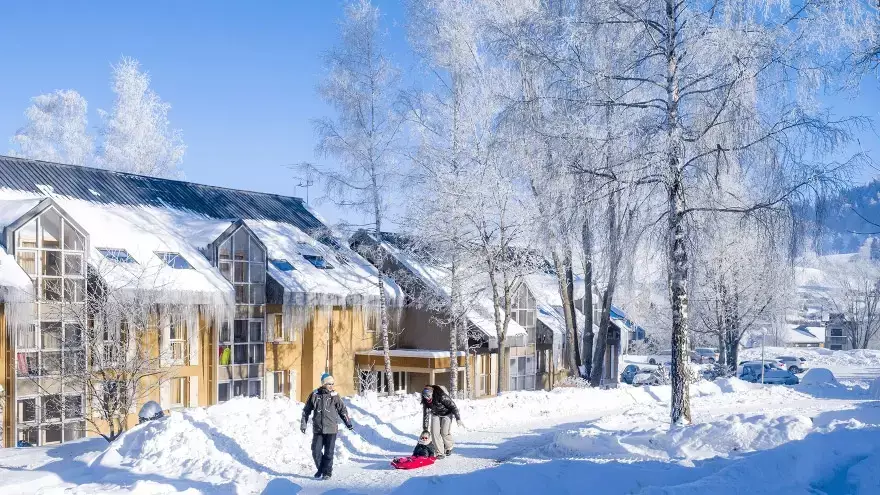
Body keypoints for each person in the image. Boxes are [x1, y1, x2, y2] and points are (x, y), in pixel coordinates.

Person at [301, 373, 353, 480]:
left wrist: (348, 422)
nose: (331, 386)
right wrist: (304, 423)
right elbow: (306, 411)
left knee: (329, 453)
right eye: (329, 383)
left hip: (331, 429)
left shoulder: (335, 396)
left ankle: (327, 473)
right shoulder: (314, 395)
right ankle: (321, 469)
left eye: (332, 384)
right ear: (323, 384)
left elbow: (342, 410)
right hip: (318, 429)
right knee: (316, 451)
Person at [421, 385, 462, 459]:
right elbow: (426, 415)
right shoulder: (425, 401)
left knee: (444, 432)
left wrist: (458, 418)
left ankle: (448, 447)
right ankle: (440, 452)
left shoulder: (441, 396)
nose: (427, 398)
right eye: (425, 396)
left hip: (447, 413)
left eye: (428, 396)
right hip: (435, 414)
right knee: (434, 433)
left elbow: (453, 406)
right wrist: (425, 428)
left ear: (432, 394)